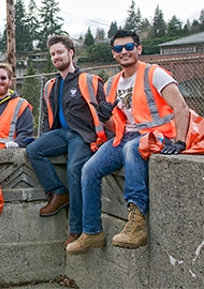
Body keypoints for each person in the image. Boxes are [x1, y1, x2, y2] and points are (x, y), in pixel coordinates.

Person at [67, 29, 190, 255]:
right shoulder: (111, 84)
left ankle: (137, 225)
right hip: (126, 138)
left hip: (159, 134)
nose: (124, 52)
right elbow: (117, 128)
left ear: (139, 49)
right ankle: (92, 231)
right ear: (113, 54)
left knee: (134, 149)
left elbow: (181, 107)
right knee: (89, 169)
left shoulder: (154, 73)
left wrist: (180, 142)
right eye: (118, 48)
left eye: (129, 47)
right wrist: (105, 119)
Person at [26, 35, 108, 248]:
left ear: (71, 53)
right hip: (61, 133)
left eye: (60, 52)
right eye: (52, 54)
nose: (56, 57)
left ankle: (76, 229)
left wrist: (103, 138)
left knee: (74, 171)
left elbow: (105, 111)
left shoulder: (88, 80)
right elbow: (47, 117)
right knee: (34, 150)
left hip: (82, 134)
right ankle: (59, 193)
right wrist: (44, 136)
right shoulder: (51, 85)